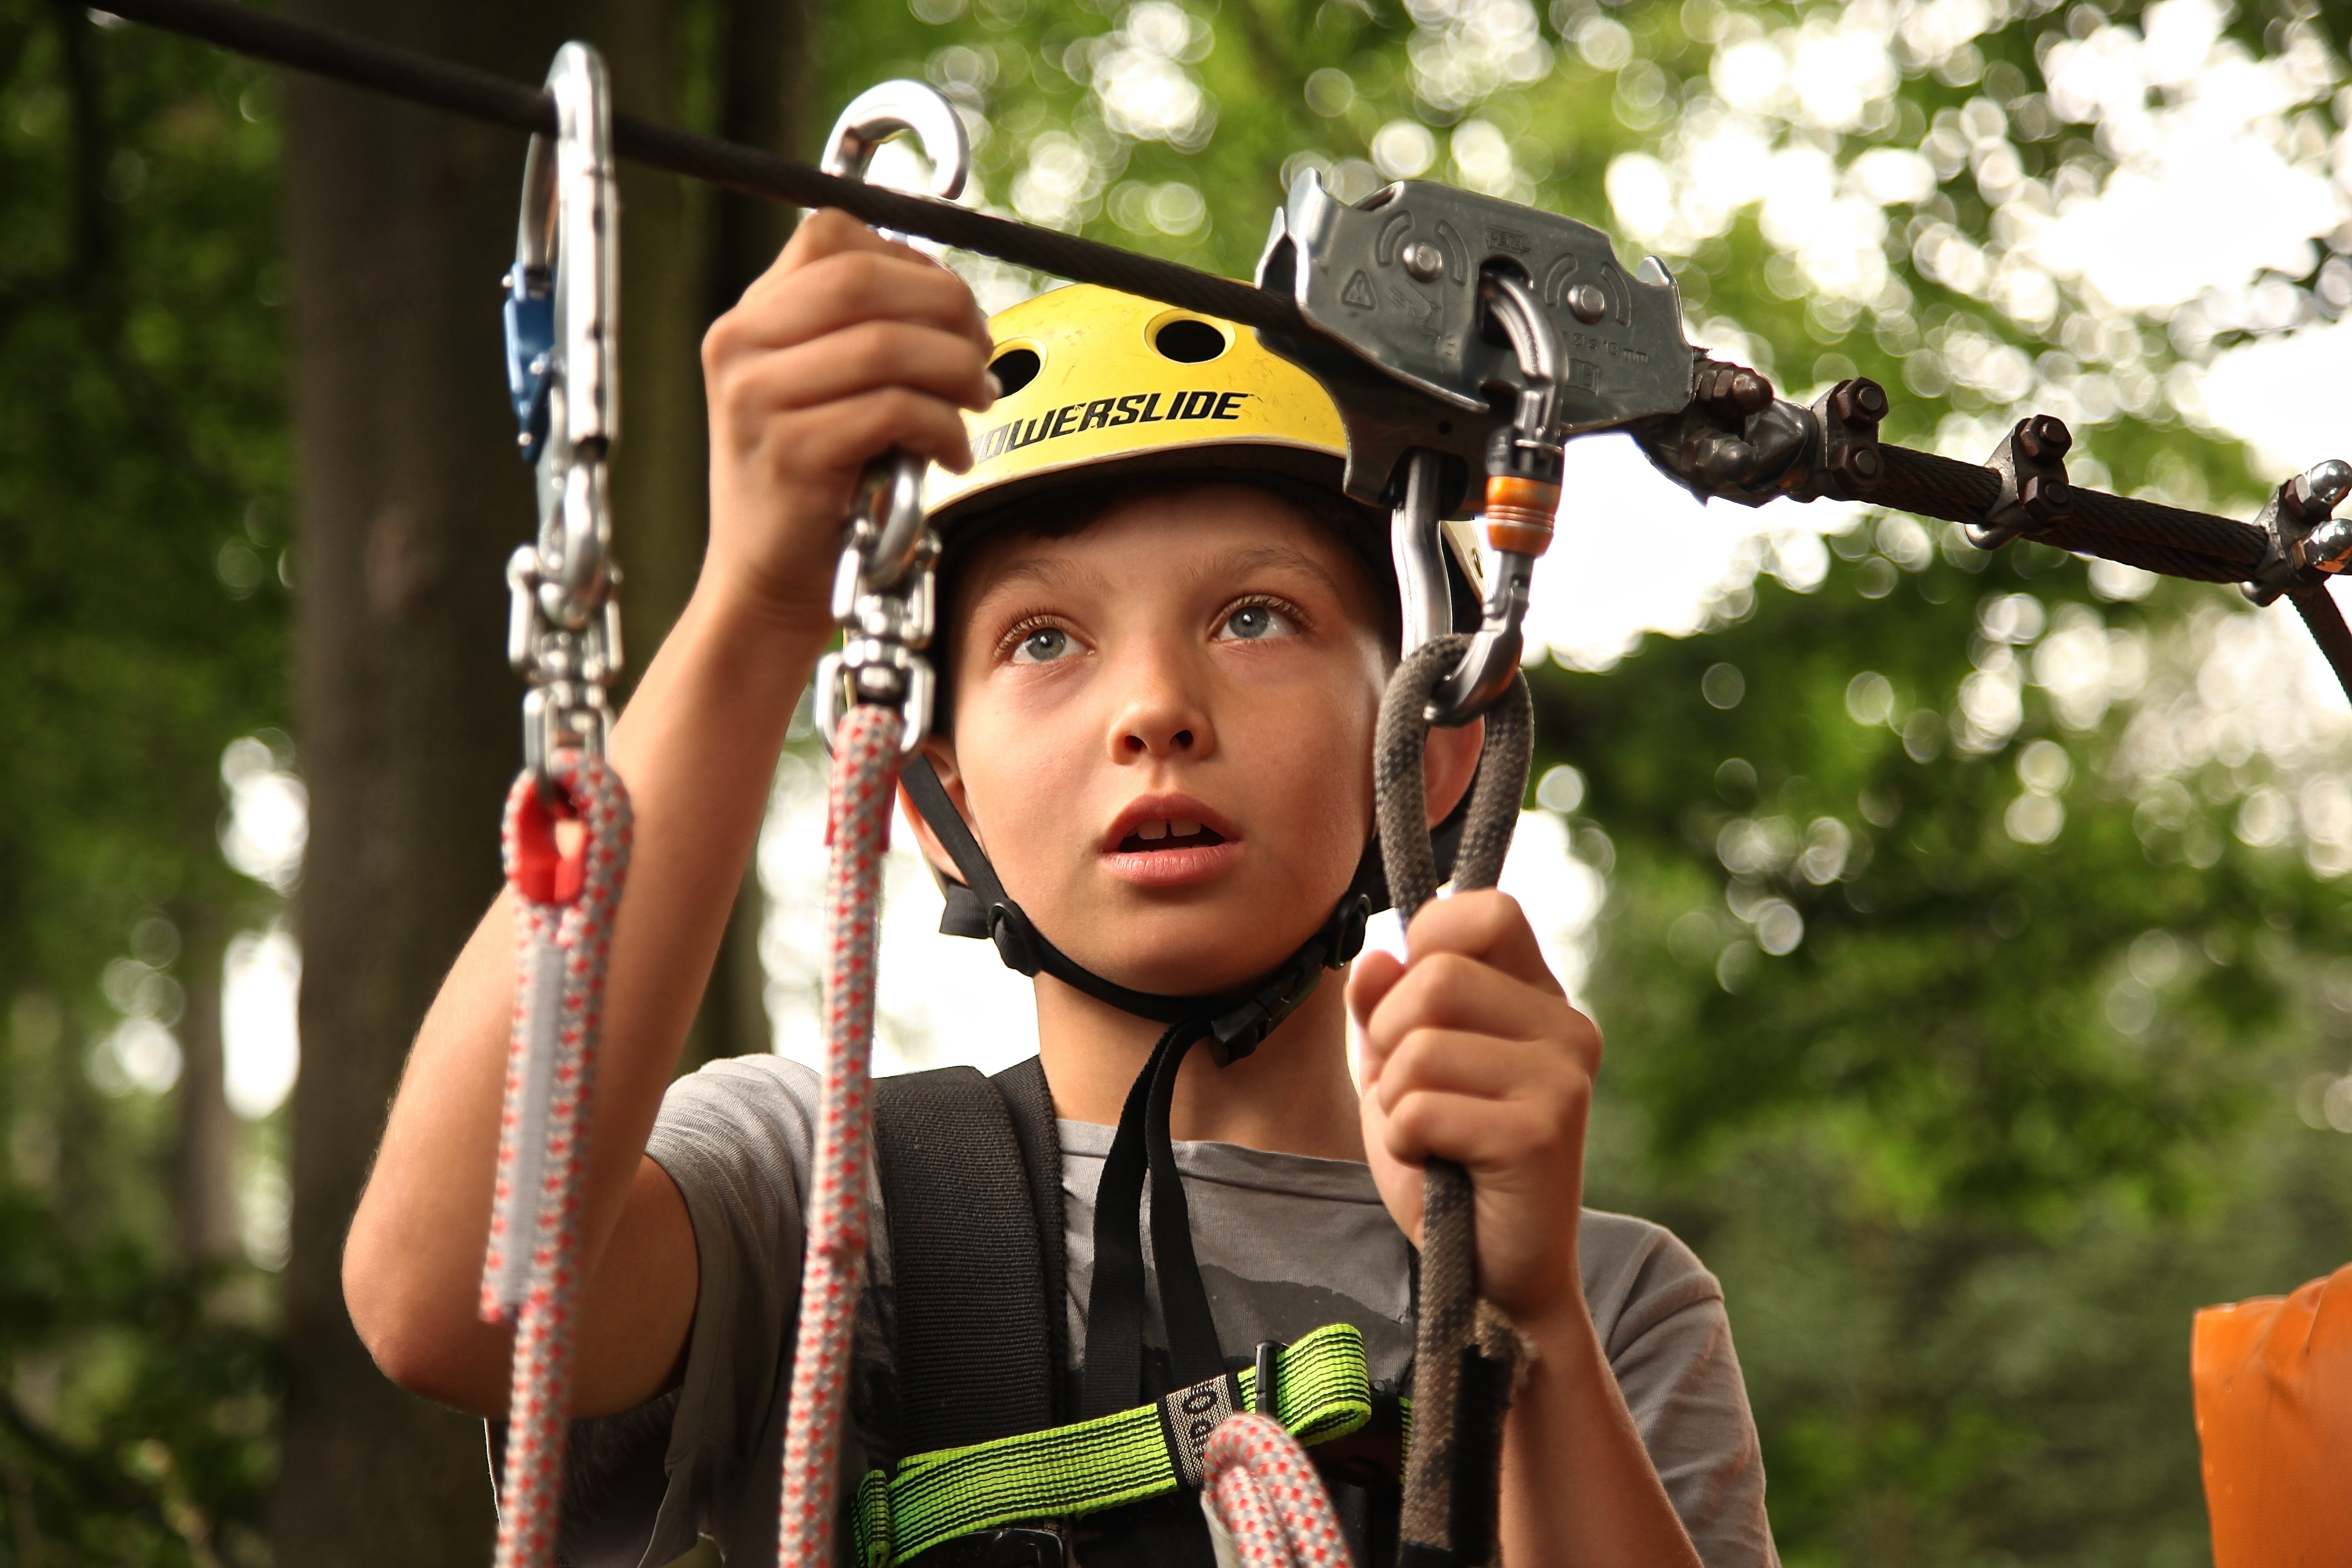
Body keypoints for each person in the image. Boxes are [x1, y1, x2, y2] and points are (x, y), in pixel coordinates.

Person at [341, 209, 1779, 1568]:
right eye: (1042, 641)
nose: (1155, 707)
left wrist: (1518, 1322)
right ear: (940, 801)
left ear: (1432, 740)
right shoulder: (825, 1203)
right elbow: (454, 1299)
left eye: (1256, 617)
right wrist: (759, 598)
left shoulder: (1615, 1308)